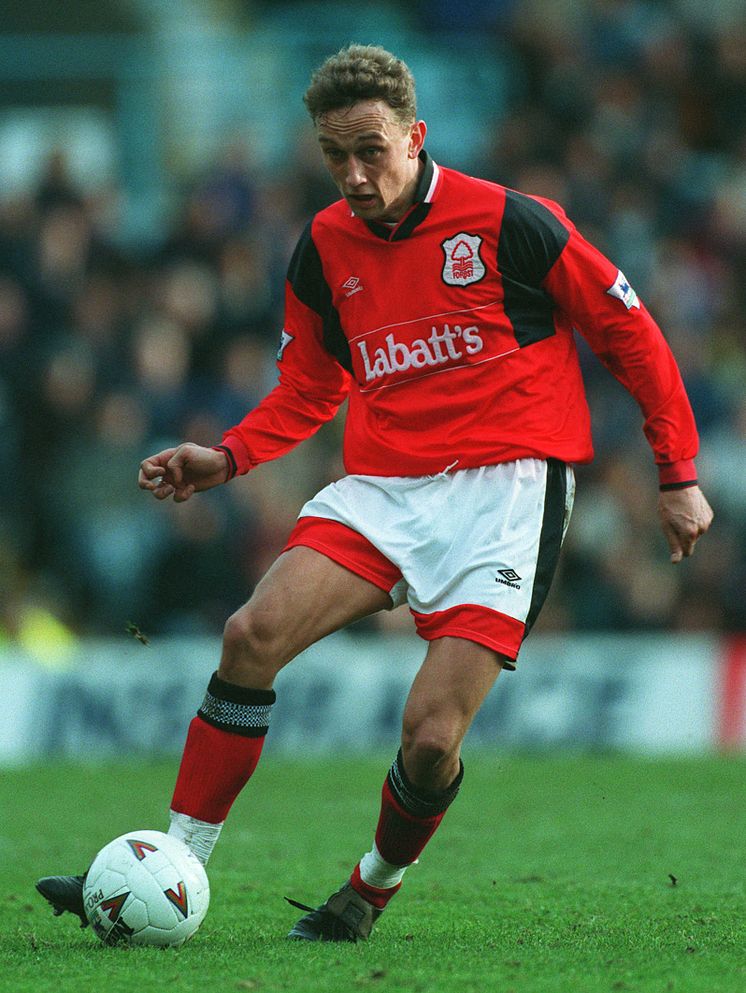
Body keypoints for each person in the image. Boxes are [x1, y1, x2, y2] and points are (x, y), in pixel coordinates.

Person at [36, 44, 713, 942]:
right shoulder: (324, 246)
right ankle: (173, 861)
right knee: (250, 634)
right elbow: (311, 387)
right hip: (386, 487)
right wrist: (227, 457)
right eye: (333, 156)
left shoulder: (512, 222)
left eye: (370, 150)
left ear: (414, 135)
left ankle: (370, 887)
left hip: (508, 494)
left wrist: (677, 473)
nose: (353, 175)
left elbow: (629, 332)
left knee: (432, 738)